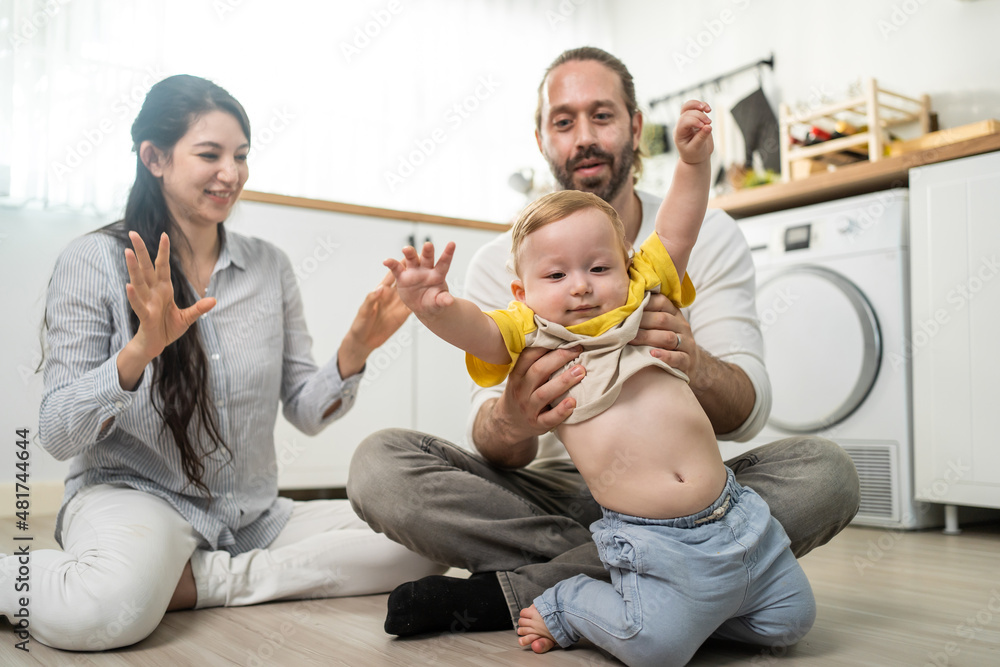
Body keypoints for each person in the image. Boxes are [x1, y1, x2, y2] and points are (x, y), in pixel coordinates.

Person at [348, 46, 859, 653]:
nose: (582, 286)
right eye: (563, 121)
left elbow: (680, 231)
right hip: (558, 491)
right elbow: (480, 337)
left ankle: (519, 593)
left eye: (603, 115)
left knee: (828, 474)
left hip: (697, 497)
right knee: (379, 466)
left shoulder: (645, 277)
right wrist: (446, 323)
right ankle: (675, 583)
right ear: (541, 137)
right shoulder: (519, 298)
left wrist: (695, 162)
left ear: (637, 128)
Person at [0, 74, 444, 652]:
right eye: (209, 154)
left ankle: (191, 583)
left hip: (252, 517)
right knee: (101, 613)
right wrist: (139, 351)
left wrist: (357, 348)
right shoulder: (94, 260)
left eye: (241, 156)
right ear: (154, 157)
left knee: (428, 545)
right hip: (135, 497)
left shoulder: (269, 267)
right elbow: (59, 432)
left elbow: (306, 412)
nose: (230, 173)